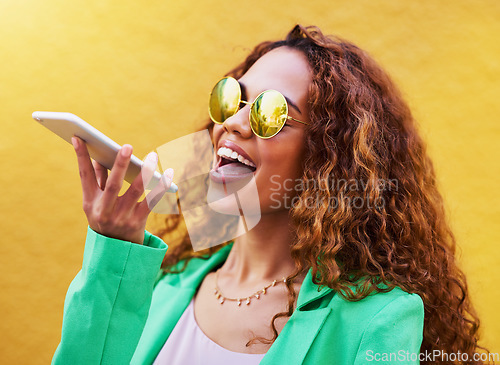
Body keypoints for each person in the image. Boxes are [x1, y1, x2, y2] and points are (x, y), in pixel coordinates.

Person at [52, 25, 488, 365]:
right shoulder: (163, 286)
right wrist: (114, 250)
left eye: (270, 113)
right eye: (232, 99)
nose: (235, 124)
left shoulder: (379, 318)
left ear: (328, 157)